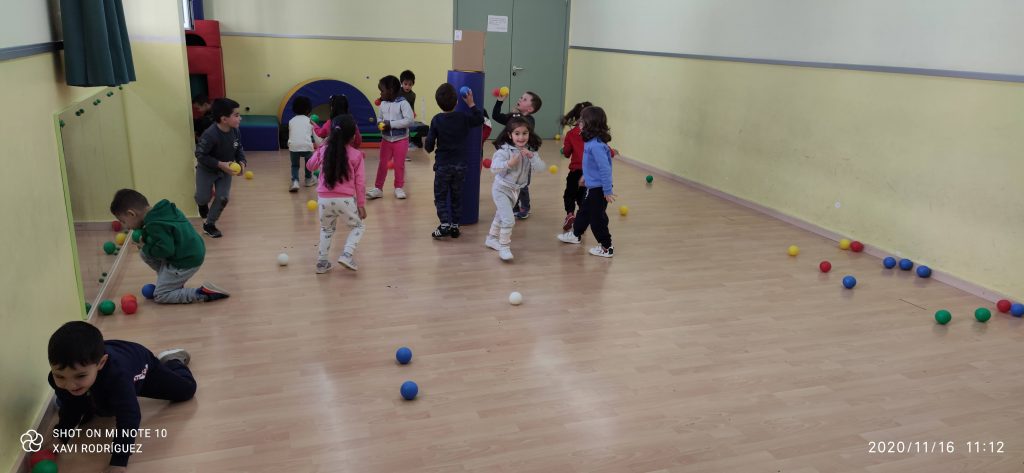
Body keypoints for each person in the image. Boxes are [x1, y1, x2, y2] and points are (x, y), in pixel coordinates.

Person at [44, 321, 197, 472]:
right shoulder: (62, 379)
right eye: (60, 376)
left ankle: (172, 360)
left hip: (140, 367)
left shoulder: (117, 376)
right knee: (81, 406)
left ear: (101, 363)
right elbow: (70, 408)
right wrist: (60, 437)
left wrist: (119, 461)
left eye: (80, 376)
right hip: (106, 371)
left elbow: (129, 417)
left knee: (187, 390)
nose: (70, 385)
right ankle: (89, 400)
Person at [110, 189, 229, 303]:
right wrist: (145, 242)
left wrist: (145, 246)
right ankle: (171, 282)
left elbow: (166, 250)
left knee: (160, 295)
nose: (125, 226)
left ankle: (202, 294)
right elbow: (164, 238)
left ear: (131, 214)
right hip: (192, 250)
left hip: (186, 260)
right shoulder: (162, 212)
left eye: (123, 221)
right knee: (144, 253)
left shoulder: (155, 225)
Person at [306, 115, 367, 273]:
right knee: (358, 226)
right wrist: (361, 204)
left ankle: (322, 263)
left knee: (326, 229)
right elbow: (360, 183)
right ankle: (346, 254)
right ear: (353, 137)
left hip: (323, 200)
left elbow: (310, 166)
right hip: (345, 200)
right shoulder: (356, 155)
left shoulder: (324, 150)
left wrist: (320, 148)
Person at [424, 84, 484, 238]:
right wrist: (471, 103)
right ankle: (455, 226)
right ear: (457, 101)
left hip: (443, 166)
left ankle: (444, 225)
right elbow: (479, 120)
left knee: (440, 197)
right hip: (460, 166)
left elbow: (429, 146)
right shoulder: (463, 117)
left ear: (438, 103)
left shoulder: (436, 120)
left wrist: (428, 145)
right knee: (457, 196)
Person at [557, 106, 616, 257]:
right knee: (583, 212)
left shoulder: (596, 146)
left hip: (599, 189)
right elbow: (591, 165)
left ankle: (606, 246)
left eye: (582, 121)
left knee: (597, 219)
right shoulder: (591, 142)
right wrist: (585, 177)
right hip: (593, 186)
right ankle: (576, 234)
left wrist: (607, 190)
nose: (579, 123)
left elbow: (605, 169)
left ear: (589, 125)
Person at [485, 117, 546, 261]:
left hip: (515, 191)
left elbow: (541, 168)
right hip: (501, 189)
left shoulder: (530, 151)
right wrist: (508, 163)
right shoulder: (504, 151)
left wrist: (532, 157)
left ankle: (491, 238)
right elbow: (494, 168)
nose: (521, 137)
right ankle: (504, 247)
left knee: (500, 214)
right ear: (509, 135)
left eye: (525, 133)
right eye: (517, 133)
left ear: (529, 134)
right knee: (508, 219)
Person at [194, 98, 245, 238]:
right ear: (224, 119)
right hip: (206, 169)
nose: (240, 118)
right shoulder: (210, 134)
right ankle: (201, 204)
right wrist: (220, 164)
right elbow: (199, 154)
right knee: (203, 197)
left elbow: (238, 147)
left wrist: (242, 162)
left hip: (225, 170)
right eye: (236, 115)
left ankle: (209, 224)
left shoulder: (235, 131)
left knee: (223, 197)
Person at [491, 90, 542, 219]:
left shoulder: (529, 120)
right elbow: (496, 116)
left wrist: (515, 115)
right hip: (510, 155)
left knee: (522, 184)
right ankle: (513, 206)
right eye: (521, 97)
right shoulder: (513, 117)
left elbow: (524, 125)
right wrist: (499, 101)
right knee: (510, 181)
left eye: (524, 99)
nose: (520, 99)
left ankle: (525, 207)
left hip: (523, 158)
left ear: (530, 109)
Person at [367, 75, 414, 199]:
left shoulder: (403, 103)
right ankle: (378, 188)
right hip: (386, 140)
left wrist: (391, 124)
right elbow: (380, 118)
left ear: (391, 90)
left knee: (399, 164)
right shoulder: (383, 104)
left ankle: (399, 187)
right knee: (382, 164)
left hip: (401, 139)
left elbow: (409, 120)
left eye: (382, 90)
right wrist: (380, 123)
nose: (380, 93)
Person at [558, 101, 592, 231]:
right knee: (583, 196)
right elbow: (604, 149)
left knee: (570, 194)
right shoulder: (595, 134)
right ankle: (581, 219)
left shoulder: (571, 133)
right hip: (590, 173)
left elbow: (567, 153)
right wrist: (612, 152)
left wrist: (564, 150)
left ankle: (570, 214)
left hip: (575, 171)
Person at [286, 96, 316, 192]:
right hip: (307, 146)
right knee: (308, 164)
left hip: (293, 146)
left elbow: (292, 133)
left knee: (295, 165)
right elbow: (314, 134)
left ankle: (295, 181)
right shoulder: (310, 121)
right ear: (308, 109)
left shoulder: (291, 121)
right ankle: (308, 179)